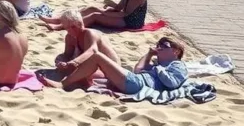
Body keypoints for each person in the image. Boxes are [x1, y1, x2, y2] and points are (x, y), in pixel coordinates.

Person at [39, 37, 187, 94]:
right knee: (90, 72)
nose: (158, 47)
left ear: (175, 51)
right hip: (135, 80)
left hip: (138, 84)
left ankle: (63, 84)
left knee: (97, 57)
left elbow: (172, 83)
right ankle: (78, 82)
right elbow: (138, 69)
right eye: (158, 44)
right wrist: (149, 54)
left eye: (163, 45)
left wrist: (158, 68)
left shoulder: (177, 66)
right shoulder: (158, 64)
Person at [45, 10, 121, 90]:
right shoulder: (70, 37)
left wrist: (74, 62)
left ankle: (64, 83)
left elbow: (92, 51)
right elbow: (67, 54)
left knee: (76, 71)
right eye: (67, 28)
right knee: (66, 69)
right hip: (94, 67)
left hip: (111, 69)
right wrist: (60, 60)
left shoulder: (89, 34)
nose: (70, 30)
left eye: (72, 27)